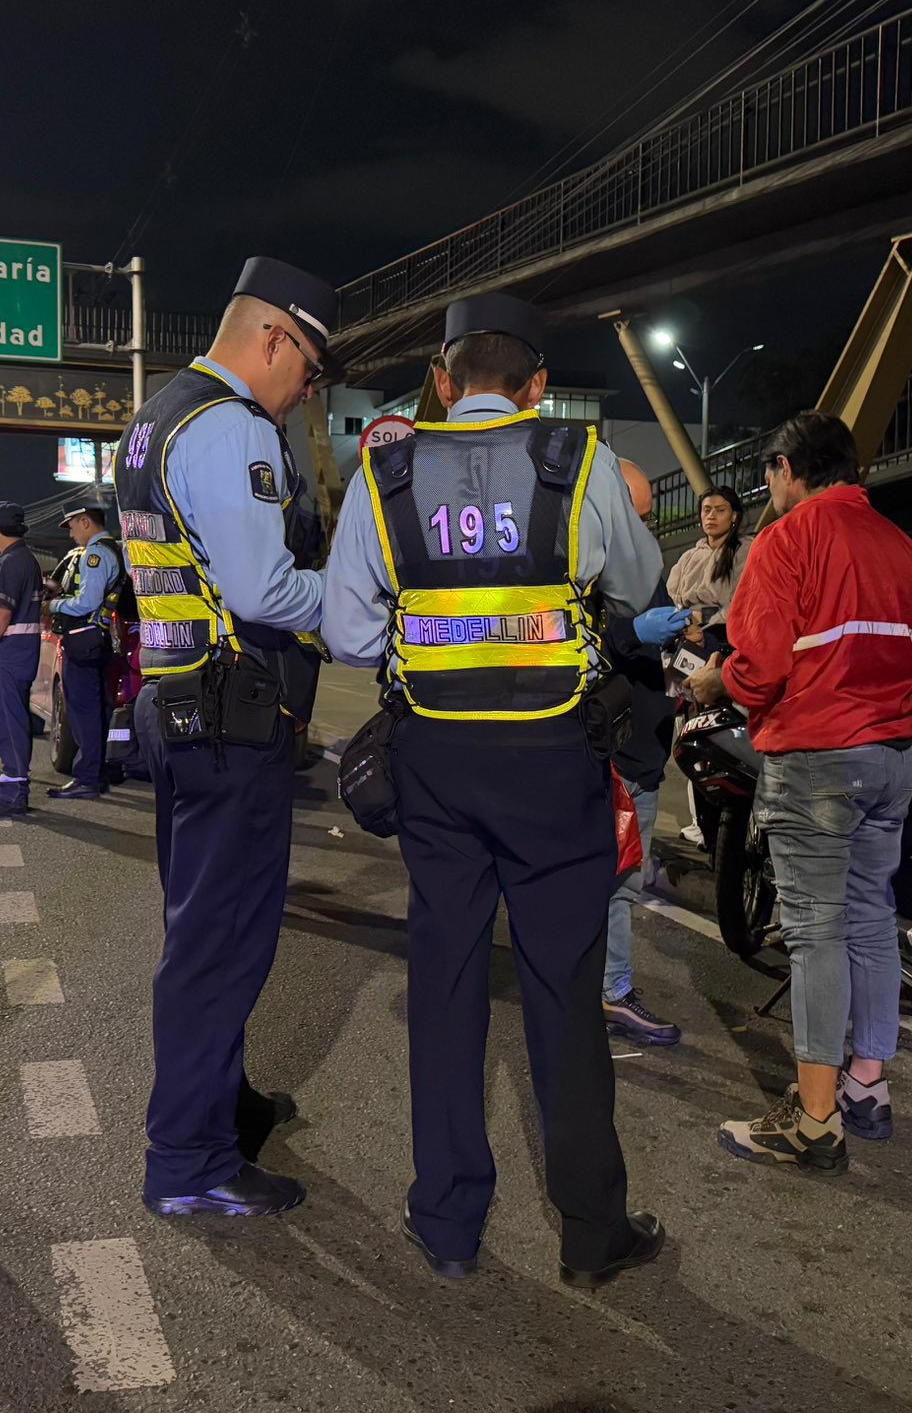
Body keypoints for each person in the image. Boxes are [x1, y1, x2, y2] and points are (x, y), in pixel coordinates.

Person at [321, 291, 667, 1288]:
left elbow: (348, 635)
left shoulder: (383, 473)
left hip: (434, 764)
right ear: (536, 387)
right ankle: (592, 1233)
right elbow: (640, 598)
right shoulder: (584, 464)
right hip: (555, 761)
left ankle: (446, 1220)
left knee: (445, 980)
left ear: (440, 380)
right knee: (564, 991)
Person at [116, 256, 334, 1220]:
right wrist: (350, 610)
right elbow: (261, 589)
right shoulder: (233, 426)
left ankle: (222, 1105)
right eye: (311, 371)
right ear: (276, 339)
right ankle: (191, 1156)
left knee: (200, 928)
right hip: (230, 715)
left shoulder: (156, 415)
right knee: (222, 943)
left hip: (173, 701)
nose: (305, 394)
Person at [686, 411, 912, 1172]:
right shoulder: (903, 546)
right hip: (890, 756)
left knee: (816, 932)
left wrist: (710, 678)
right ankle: (866, 1084)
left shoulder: (786, 540)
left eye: (769, 474)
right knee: (868, 916)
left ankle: (815, 1119)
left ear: (787, 469)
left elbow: (758, 667)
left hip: (817, 757)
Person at [597, 460, 687, 1049]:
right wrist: (634, 636)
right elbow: (565, 633)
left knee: (611, 878)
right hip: (620, 752)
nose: (643, 529)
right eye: (635, 515)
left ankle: (599, 984)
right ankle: (612, 989)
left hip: (639, 743)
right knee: (619, 880)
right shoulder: (589, 562)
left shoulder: (637, 560)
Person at [0, 503, 45, 821]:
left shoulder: (12, 562)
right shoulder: (22, 559)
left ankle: (15, 791)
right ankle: (9, 783)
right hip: (17, 652)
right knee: (8, 721)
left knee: (8, 723)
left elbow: (2, 610)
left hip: (7, 653)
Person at [47, 502, 120, 799]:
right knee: (97, 709)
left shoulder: (95, 554)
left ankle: (88, 777)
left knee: (83, 710)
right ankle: (98, 772)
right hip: (96, 638)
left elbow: (87, 601)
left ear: (86, 522)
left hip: (84, 637)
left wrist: (53, 605)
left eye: (73, 526)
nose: (72, 534)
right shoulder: (113, 550)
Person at [665, 484, 747, 656]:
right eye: (707, 510)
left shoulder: (744, 550)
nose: (711, 516)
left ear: (734, 516)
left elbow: (743, 602)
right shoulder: (688, 557)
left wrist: (702, 618)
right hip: (684, 634)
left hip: (723, 638)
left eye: (720, 510)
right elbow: (670, 596)